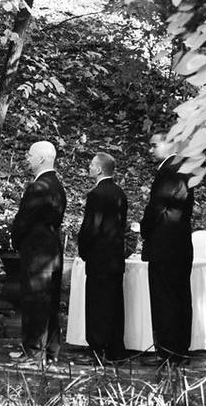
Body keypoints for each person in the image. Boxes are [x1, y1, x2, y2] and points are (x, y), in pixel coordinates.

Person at [10, 140, 66, 368]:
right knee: (50, 303)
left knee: (34, 303)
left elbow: (24, 220)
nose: (27, 157)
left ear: (41, 159)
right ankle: (52, 350)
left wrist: (16, 240)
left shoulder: (38, 187)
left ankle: (33, 354)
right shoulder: (58, 185)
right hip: (53, 251)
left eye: (30, 154)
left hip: (37, 253)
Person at [141, 141, 193, 365]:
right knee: (179, 298)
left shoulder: (170, 171)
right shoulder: (184, 169)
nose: (150, 148)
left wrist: (144, 229)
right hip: (179, 245)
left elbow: (156, 208)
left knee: (165, 300)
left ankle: (168, 351)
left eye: (155, 143)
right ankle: (179, 350)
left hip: (165, 246)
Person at [77, 152, 128, 363]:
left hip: (100, 257)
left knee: (98, 304)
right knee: (115, 304)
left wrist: (84, 250)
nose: (88, 168)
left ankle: (97, 349)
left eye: (91, 165)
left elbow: (91, 227)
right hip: (115, 256)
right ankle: (115, 349)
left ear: (99, 169)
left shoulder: (97, 194)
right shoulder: (119, 193)